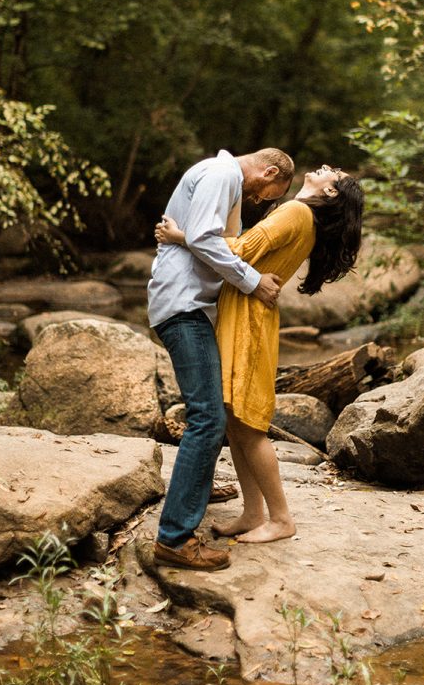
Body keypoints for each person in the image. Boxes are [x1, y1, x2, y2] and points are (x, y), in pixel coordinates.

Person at [156, 165, 363, 544]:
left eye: (331, 172)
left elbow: (241, 249)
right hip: (245, 310)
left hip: (248, 318)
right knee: (235, 422)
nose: (323, 168)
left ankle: (281, 518)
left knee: (248, 426)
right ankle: (253, 513)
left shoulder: (296, 213)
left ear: (332, 193)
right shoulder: (301, 217)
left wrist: (182, 236)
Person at [148, 148, 294, 572]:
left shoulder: (222, 179)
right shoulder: (221, 174)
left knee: (209, 415)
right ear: (268, 171)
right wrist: (253, 283)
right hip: (183, 307)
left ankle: (191, 494)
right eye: (271, 193)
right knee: (208, 419)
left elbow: (200, 237)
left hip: (191, 307)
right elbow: (204, 239)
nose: (265, 201)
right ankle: (175, 538)